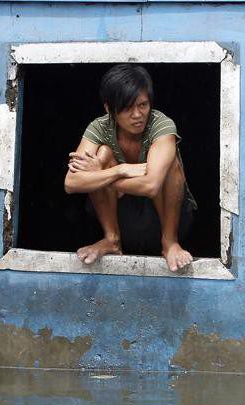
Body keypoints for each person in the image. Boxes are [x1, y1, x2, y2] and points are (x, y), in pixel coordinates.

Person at [64, 64, 196, 272]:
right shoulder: (100, 127)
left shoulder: (161, 125)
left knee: (170, 164)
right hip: (121, 217)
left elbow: (152, 185)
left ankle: (170, 243)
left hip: (165, 218)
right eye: (127, 108)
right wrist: (119, 170)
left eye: (143, 105)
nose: (137, 114)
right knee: (104, 153)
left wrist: (101, 175)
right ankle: (111, 239)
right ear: (109, 110)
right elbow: (71, 183)